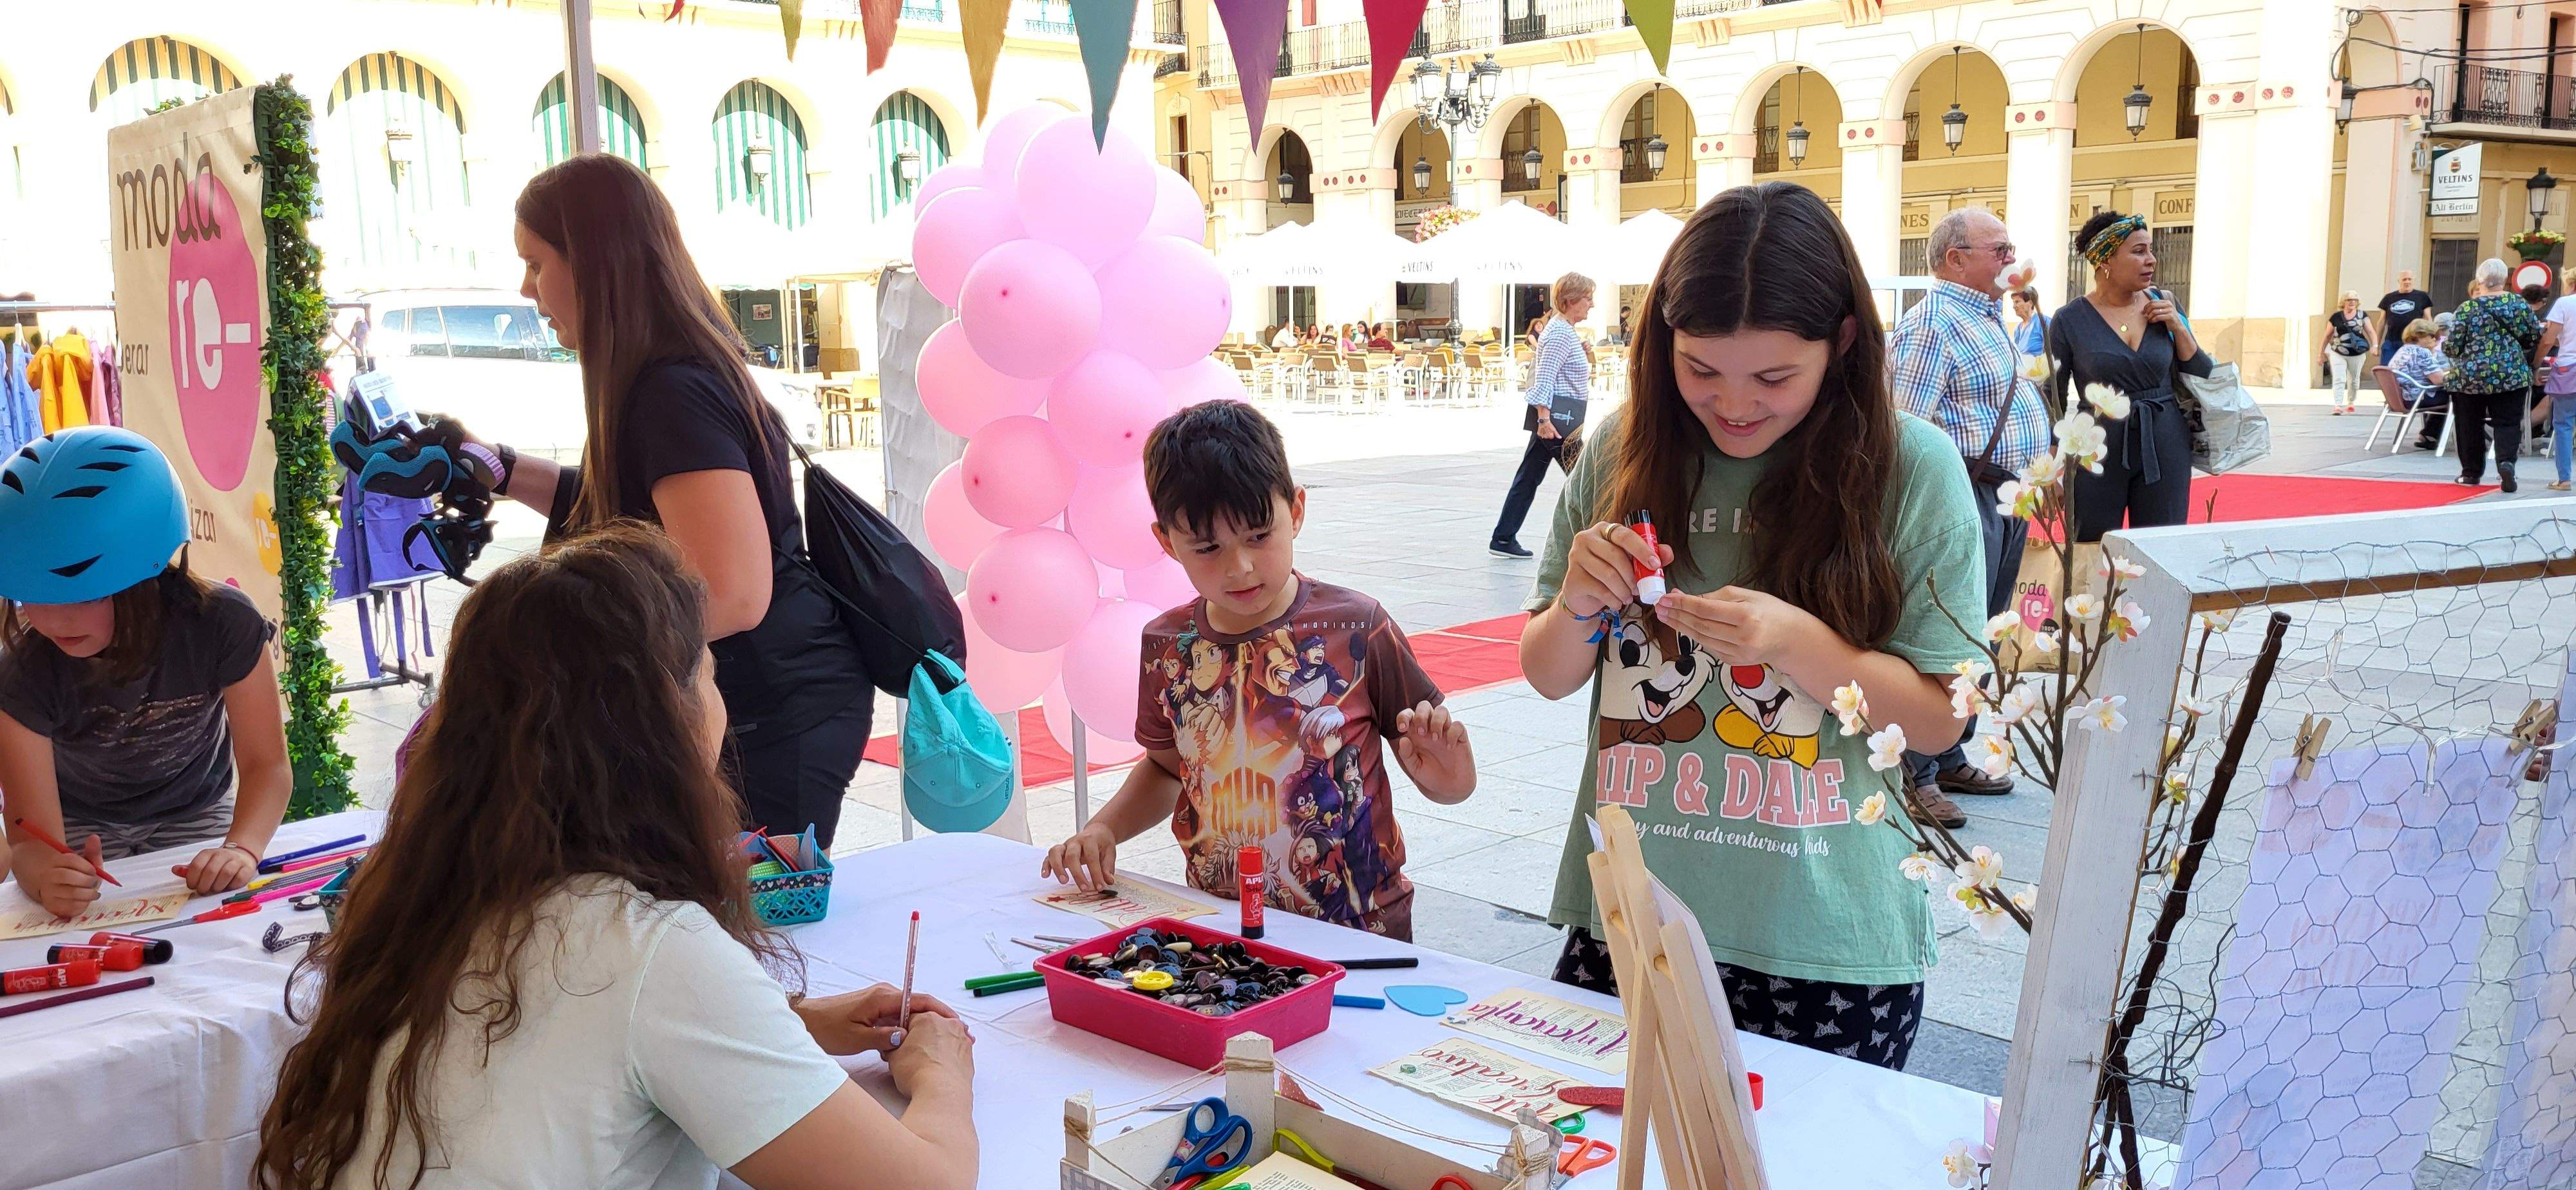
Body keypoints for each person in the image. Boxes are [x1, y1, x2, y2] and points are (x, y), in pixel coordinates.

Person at [252, 525, 979, 1190]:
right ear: (665, 718)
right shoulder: (649, 948)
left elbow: (573, 1046)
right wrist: (939, 1073)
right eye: (710, 672)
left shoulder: (426, 896)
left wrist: (792, 1022)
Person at [1517, 182, 1985, 1070]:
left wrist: (1796, 642)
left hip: (1828, 944)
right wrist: (1580, 597)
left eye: (1774, 378)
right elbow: (1548, 673)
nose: (1734, 405)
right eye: (1701, 371)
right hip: (1627, 914)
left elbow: (1938, 718)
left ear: (1841, 342)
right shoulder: (1626, 448)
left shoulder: (1910, 468)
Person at [440, 155, 874, 845]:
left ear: (593, 261)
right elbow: (633, 513)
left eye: (536, 262)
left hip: (768, 709)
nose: (526, 289)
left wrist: (563, 650)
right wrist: (497, 467)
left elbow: (732, 593)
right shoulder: (653, 379)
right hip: (739, 700)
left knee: (752, 929)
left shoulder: (671, 390)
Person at [1040, 401, 1477, 941]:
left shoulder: (1358, 627)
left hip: (1361, 929)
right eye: (1207, 548)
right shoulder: (1166, 647)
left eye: (1258, 536)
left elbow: (1444, 775)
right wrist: (1104, 828)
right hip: (1222, 928)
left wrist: (1452, 779)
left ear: (1295, 510)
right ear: (1165, 543)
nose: (1239, 566)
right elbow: (1166, 767)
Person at [0, 427, 290, 920]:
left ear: (149, 574)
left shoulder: (224, 624)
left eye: (85, 594)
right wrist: (47, 874)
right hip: (78, 829)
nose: (52, 621)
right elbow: (29, 837)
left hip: (196, 811)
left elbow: (268, 766)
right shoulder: (22, 671)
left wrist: (242, 848)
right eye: (32, 595)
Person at [1886, 209, 2049, 829]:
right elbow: (1907, 428)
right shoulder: (1932, 323)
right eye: (1998, 247)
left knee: (1977, 635)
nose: (2011, 256)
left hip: (2005, 498)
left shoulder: (1985, 316)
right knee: (1944, 634)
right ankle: (1917, 772)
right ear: (1955, 258)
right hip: (1965, 500)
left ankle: (1950, 750)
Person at [2048, 211, 2211, 542]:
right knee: (2090, 549)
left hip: (2164, 444)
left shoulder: (2165, 303)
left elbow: (2204, 375)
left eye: (2150, 250)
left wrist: (2178, 327)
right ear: (2105, 260)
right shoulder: (2068, 320)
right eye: (2138, 252)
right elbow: (2050, 400)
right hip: (2096, 448)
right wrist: (2052, 471)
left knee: (2162, 550)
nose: (2151, 260)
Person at [1490, 272, 1598, 560]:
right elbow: (1545, 379)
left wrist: (1582, 349)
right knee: (1587, 478)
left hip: (1558, 418)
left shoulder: (1562, 331)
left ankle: (1503, 537)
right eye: (1588, 299)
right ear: (1571, 300)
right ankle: (1600, 535)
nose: (1592, 304)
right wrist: (1543, 419)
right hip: (1558, 420)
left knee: (1529, 477)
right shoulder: (1560, 333)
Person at [2442, 258, 2541, 491]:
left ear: (2480, 281)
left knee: (2469, 424)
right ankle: (2506, 463)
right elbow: (2534, 336)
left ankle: (2471, 474)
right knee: (2508, 422)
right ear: (2505, 280)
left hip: (2470, 378)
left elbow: (2453, 347)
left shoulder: (2467, 308)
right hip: (2510, 374)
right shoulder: (2518, 304)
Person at [2535, 273, 2576, 490]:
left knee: (2564, 425)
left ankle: (2564, 478)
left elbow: (2549, 340)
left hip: (2569, 368)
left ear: (2571, 283)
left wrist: (2536, 364)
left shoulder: (2564, 303)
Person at [2387, 317, 2452, 451]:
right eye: (2433, 336)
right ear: (2420, 336)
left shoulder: (2403, 350)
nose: (2436, 339)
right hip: (2416, 397)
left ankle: (2429, 435)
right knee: (2457, 396)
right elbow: (2439, 380)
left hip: (2400, 398)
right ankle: (2434, 435)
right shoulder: (2422, 352)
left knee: (2443, 395)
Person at [2321, 291, 2374, 415]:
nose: (2352, 302)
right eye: (2349, 300)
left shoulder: (2362, 315)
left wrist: (2375, 346)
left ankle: (2351, 401)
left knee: (2354, 380)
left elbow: (2371, 332)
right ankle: (2338, 405)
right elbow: (2327, 336)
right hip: (2338, 351)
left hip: (2357, 353)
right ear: (2343, 302)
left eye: (2354, 300)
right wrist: (2321, 352)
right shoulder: (2336, 317)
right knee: (2339, 378)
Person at [2375, 270, 2434, 366]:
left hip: (2413, 342)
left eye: (2409, 279)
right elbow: (2381, 322)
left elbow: (2428, 319)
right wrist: (2376, 344)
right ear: (2399, 281)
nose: (2407, 282)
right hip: (2392, 342)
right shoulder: (2388, 298)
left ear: (2413, 280)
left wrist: (2430, 340)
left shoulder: (2422, 297)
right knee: (2387, 369)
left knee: (2409, 370)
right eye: (2404, 279)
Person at [2010, 286, 2049, 363]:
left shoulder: (2042, 322)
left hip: (2040, 371)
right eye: (2013, 303)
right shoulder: (2018, 329)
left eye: (2017, 302)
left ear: (2030, 303)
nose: (2014, 306)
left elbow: (2053, 351)